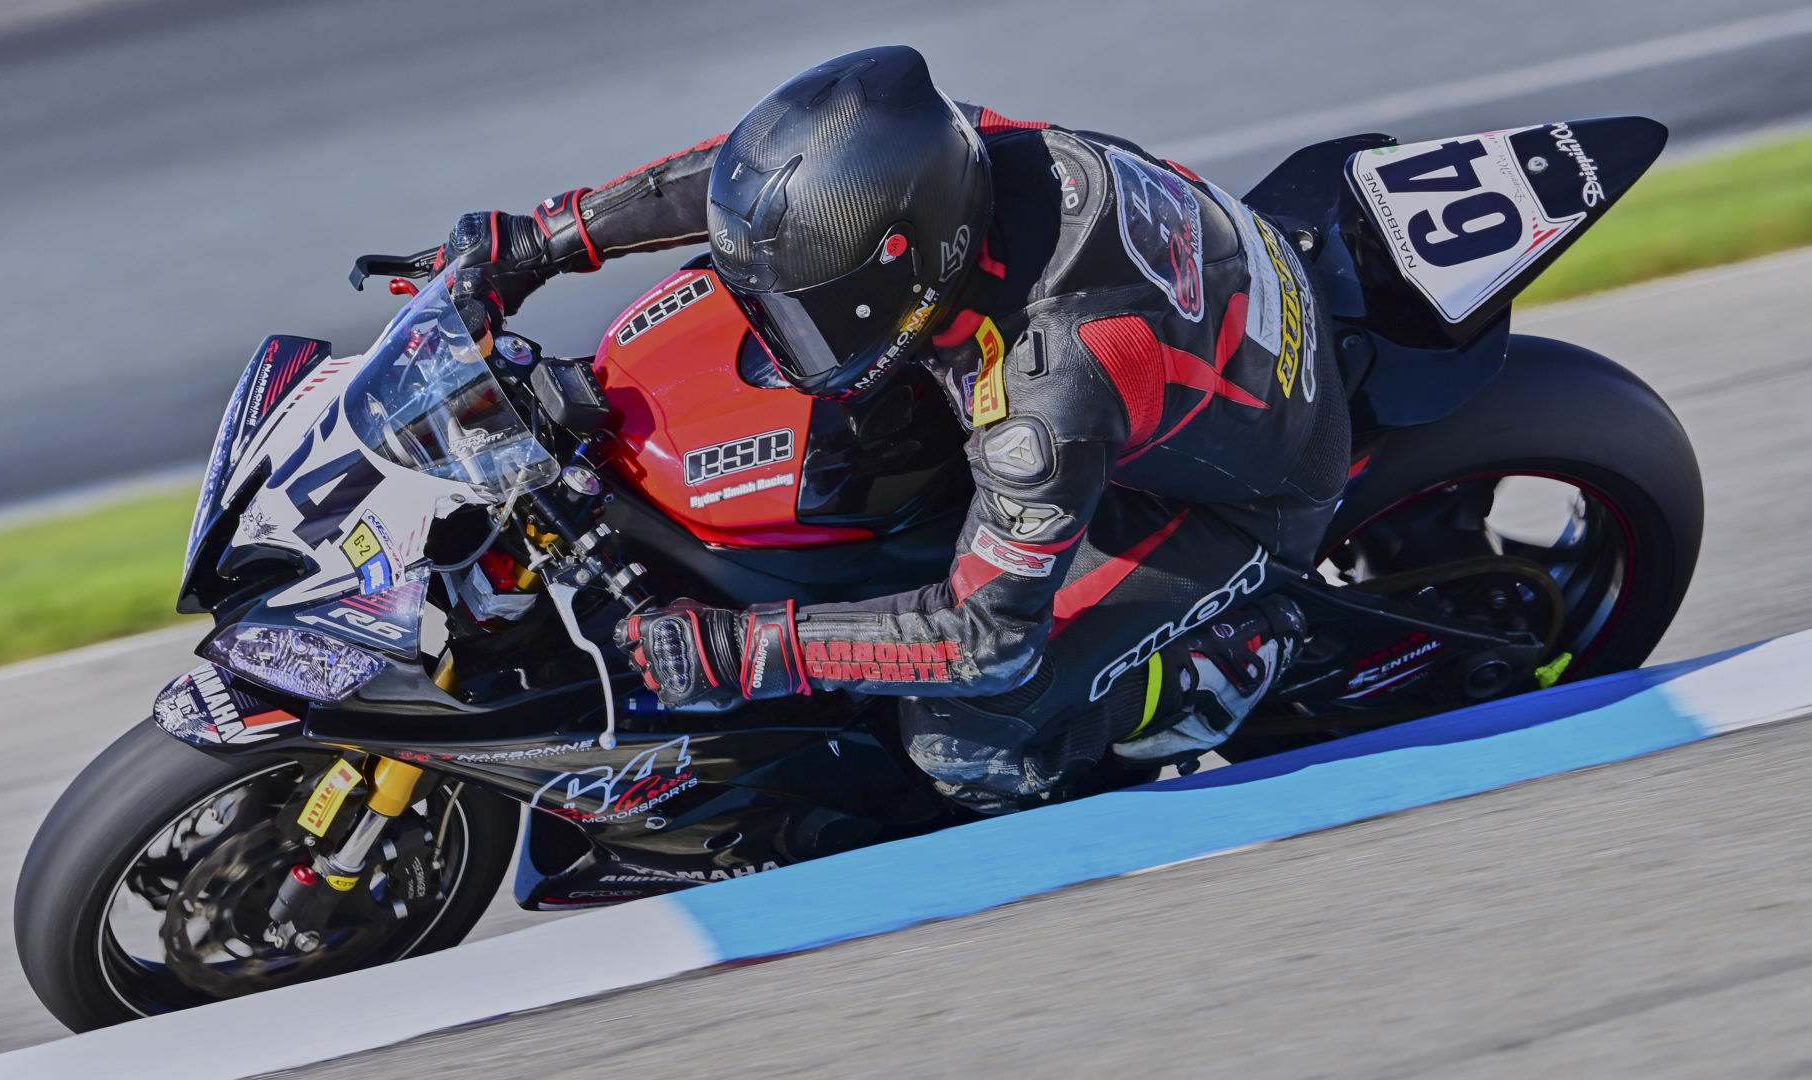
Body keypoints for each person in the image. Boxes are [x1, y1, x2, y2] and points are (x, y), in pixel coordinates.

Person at [435, 45, 1348, 813]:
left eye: (801, 314)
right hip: (1215, 317)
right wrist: (546, 236)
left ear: (904, 267)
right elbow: (749, 188)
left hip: (1251, 492)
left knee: (960, 741)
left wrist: (746, 649)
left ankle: (1225, 660)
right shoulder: (953, 151)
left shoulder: (1047, 391)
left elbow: (983, 640)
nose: (780, 335)